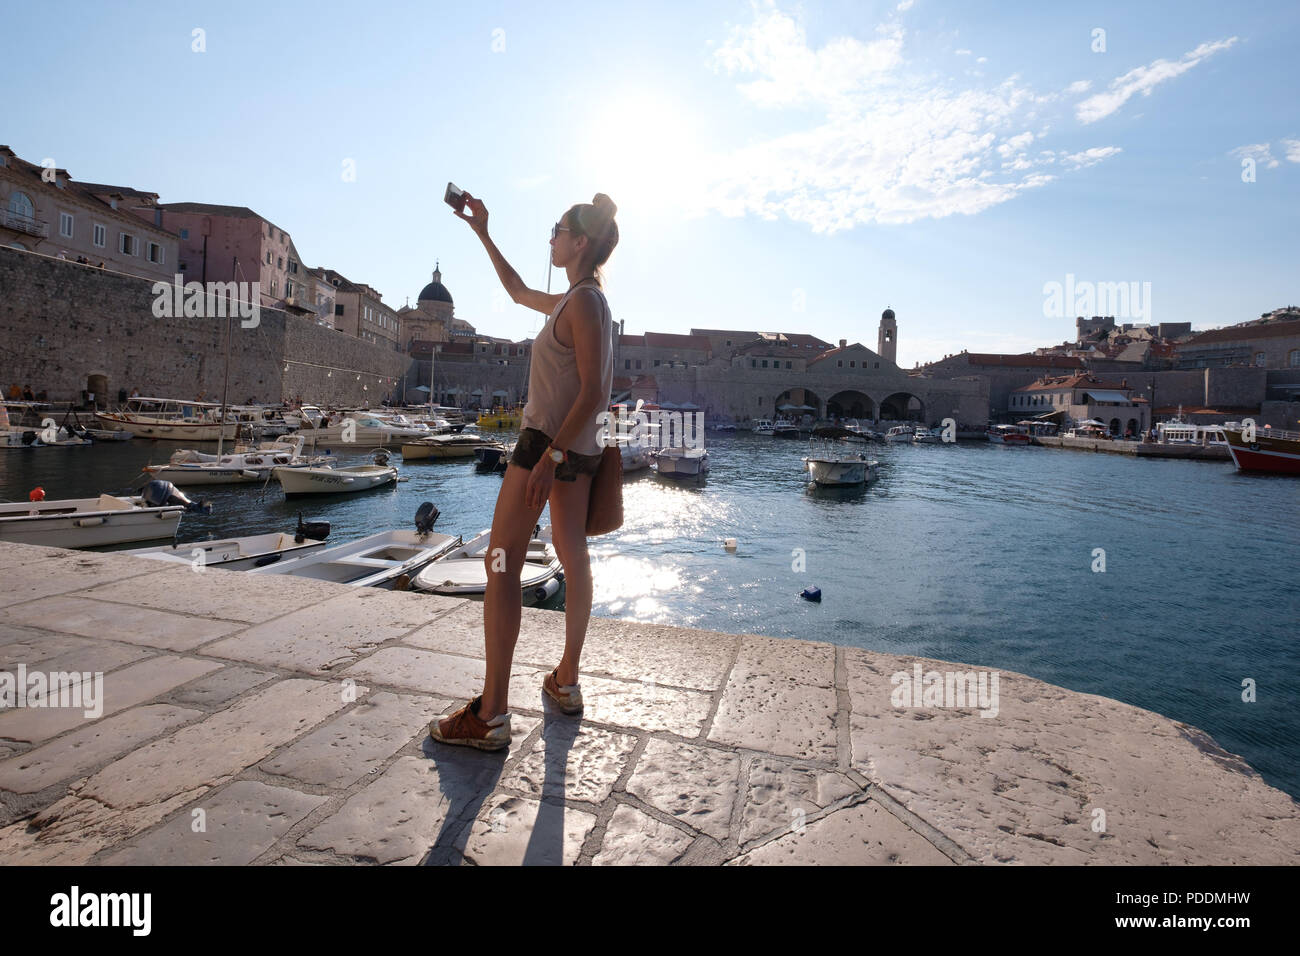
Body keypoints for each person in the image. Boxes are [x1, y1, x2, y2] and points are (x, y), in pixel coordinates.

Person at [430, 191, 619, 751]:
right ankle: (566, 681)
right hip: (577, 450)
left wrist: (550, 456)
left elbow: (596, 390)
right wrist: (483, 231)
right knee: (573, 557)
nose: (552, 237)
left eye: (558, 230)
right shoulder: (579, 301)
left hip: (547, 445)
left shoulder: (582, 304)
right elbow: (514, 292)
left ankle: (490, 715)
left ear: (580, 242)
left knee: (501, 563)